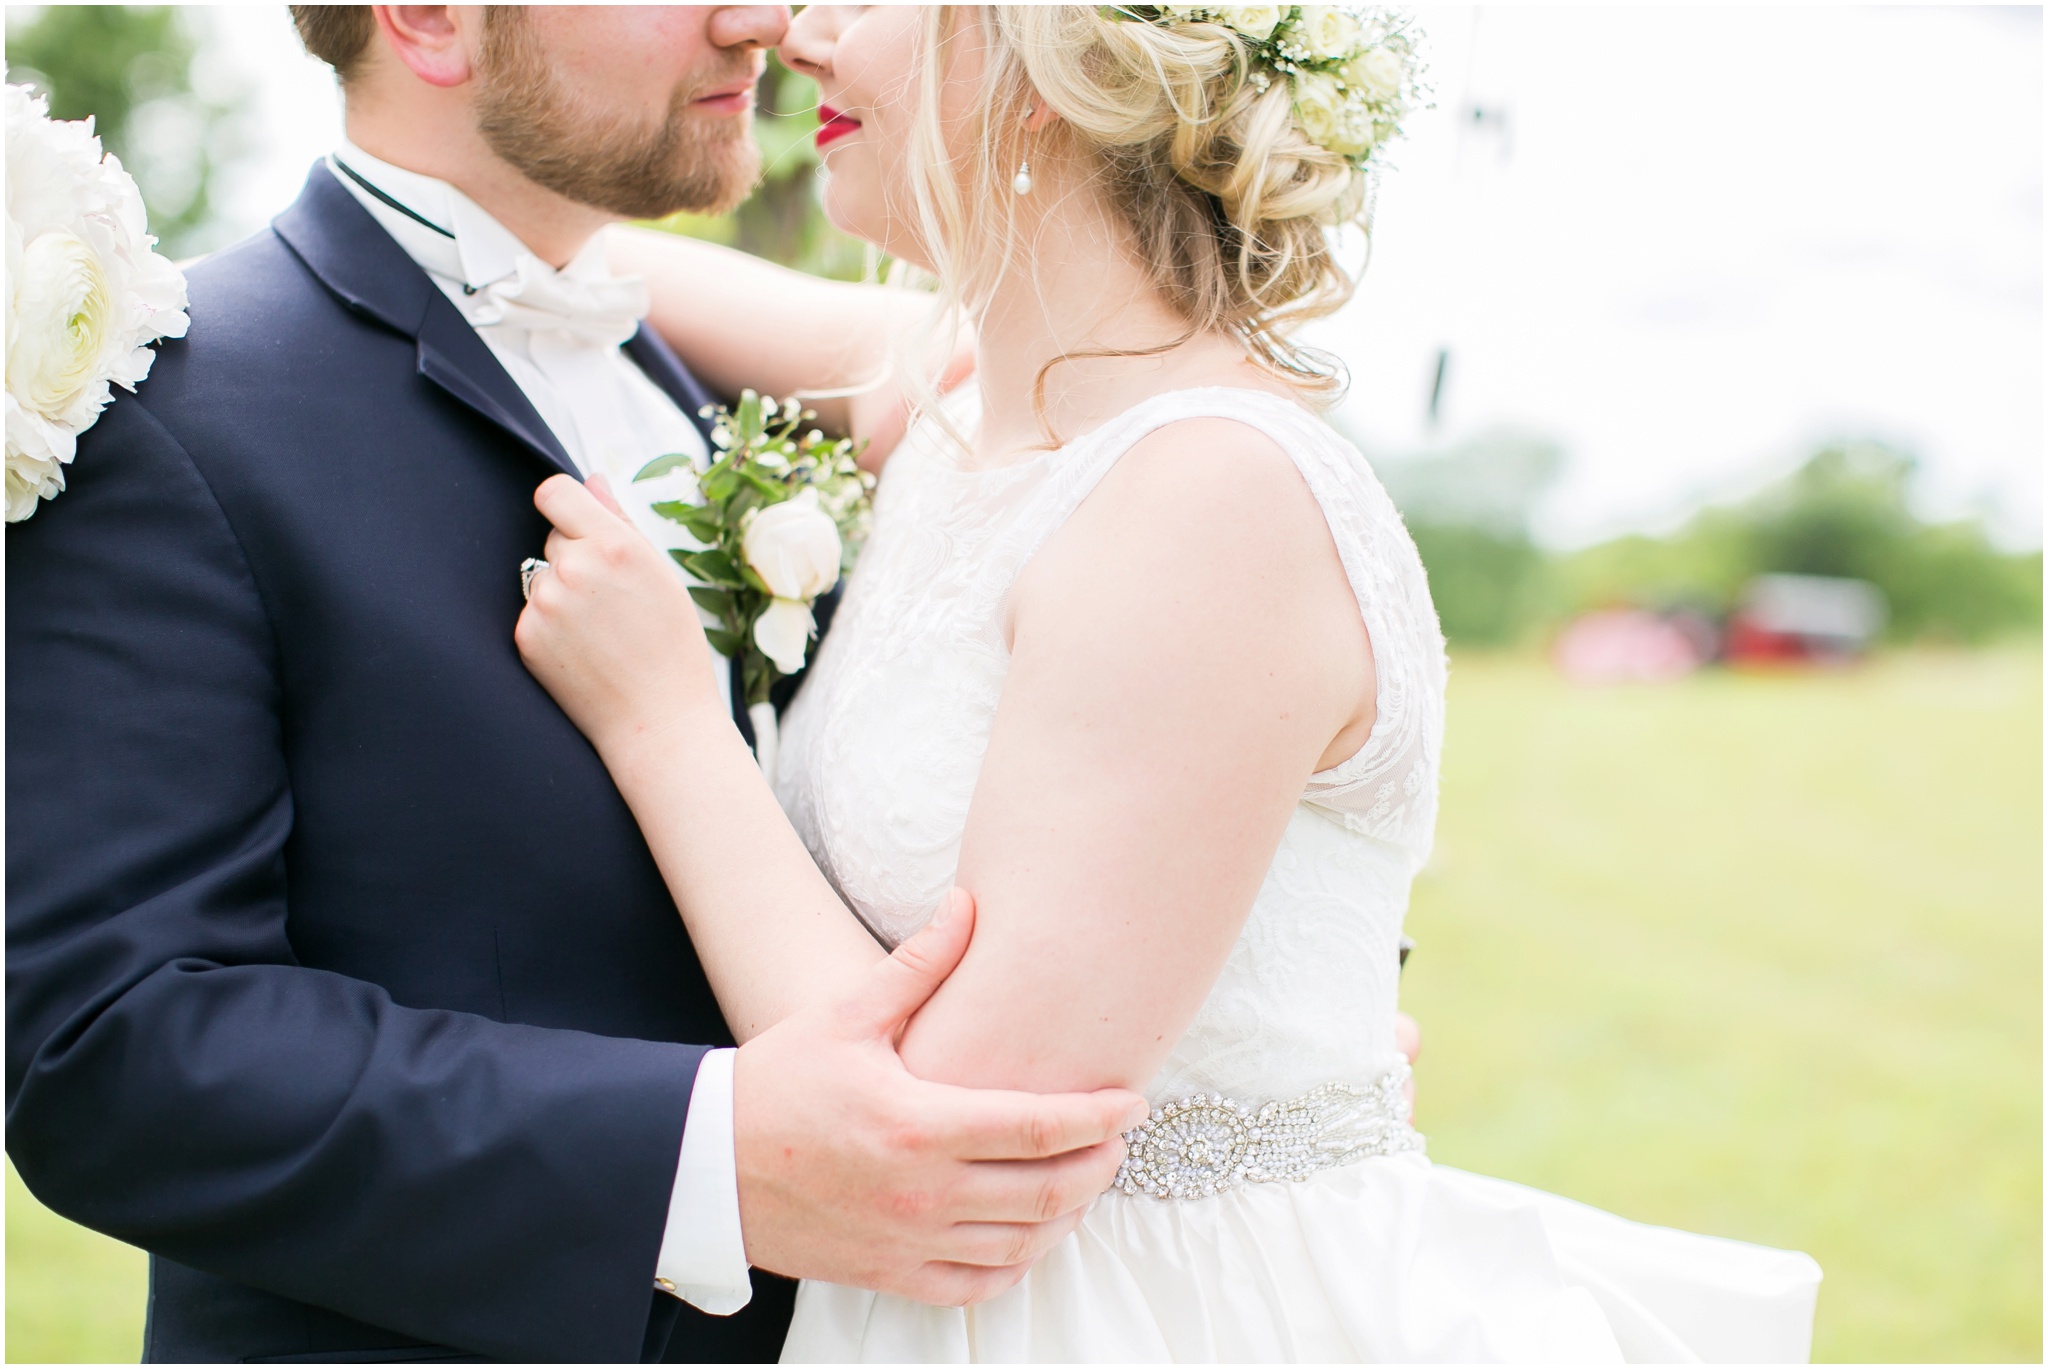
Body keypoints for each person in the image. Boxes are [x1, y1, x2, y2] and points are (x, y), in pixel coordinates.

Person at [515, 6, 1826, 1361]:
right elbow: (568, 264)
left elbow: (929, 1147)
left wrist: (663, 720)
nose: (802, 32)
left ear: (1044, 63)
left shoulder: (1208, 496)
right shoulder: (961, 392)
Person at [5, 7, 1158, 1362]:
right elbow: (116, 1049)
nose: (759, 19)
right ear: (431, 20)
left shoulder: (711, 388)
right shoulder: (167, 417)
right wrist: (708, 1157)